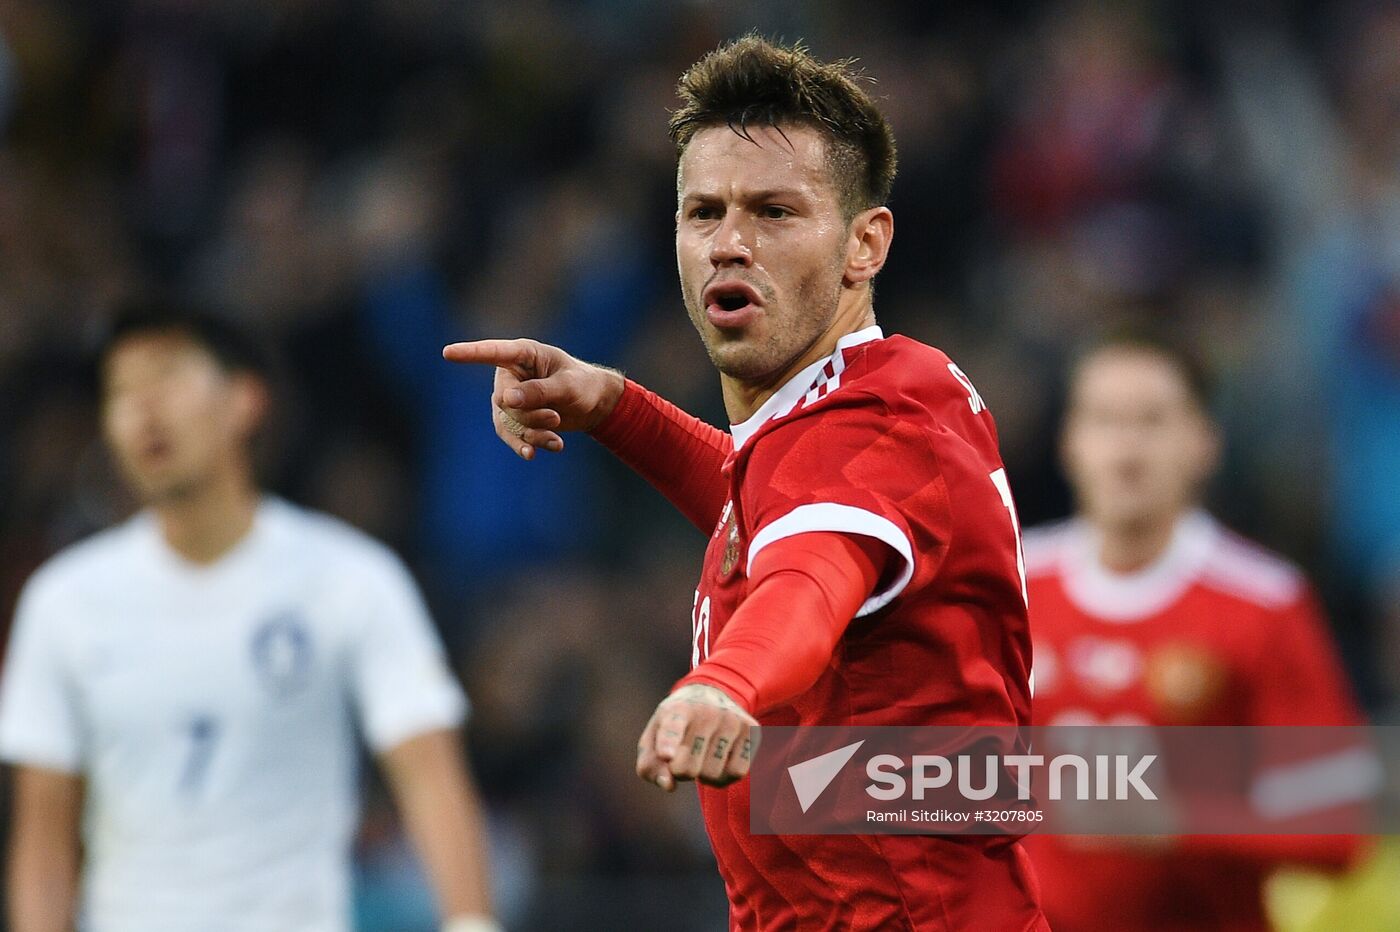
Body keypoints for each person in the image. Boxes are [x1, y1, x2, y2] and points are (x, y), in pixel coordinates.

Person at [444, 35, 1047, 931]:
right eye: (703, 212)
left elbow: (811, 575)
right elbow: (763, 505)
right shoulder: (856, 408)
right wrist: (615, 406)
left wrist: (726, 683)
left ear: (864, 244)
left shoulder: (878, 424)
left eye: (774, 212)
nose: (730, 243)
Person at [0, 305, 499, 932]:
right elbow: (44, 835)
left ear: (245, 401)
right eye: (121, 392)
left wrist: (471, 922)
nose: (144, 409)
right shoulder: (64, 602)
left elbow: (429, 776)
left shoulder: (350, 580)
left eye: (168, 377)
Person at [1020, 328, 1371, 931]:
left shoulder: (1264, 602)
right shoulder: (1009, 584)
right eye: (1105, 420)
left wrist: (1183, 814)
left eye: (1152, 421)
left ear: (1203, 442)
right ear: (1069, 442)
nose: (1126, 449)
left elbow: (1339, 824)